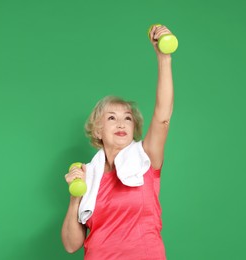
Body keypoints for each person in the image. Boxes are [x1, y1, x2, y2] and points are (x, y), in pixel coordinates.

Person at [61, 24, 175, 260]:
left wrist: (164, 59)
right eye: (111, 118)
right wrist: (74, 200)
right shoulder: (87, 174)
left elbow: (163, 117)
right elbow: (71, 245)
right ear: (98, 130)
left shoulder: (146, 158)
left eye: (127, 118)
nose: (121, 123)